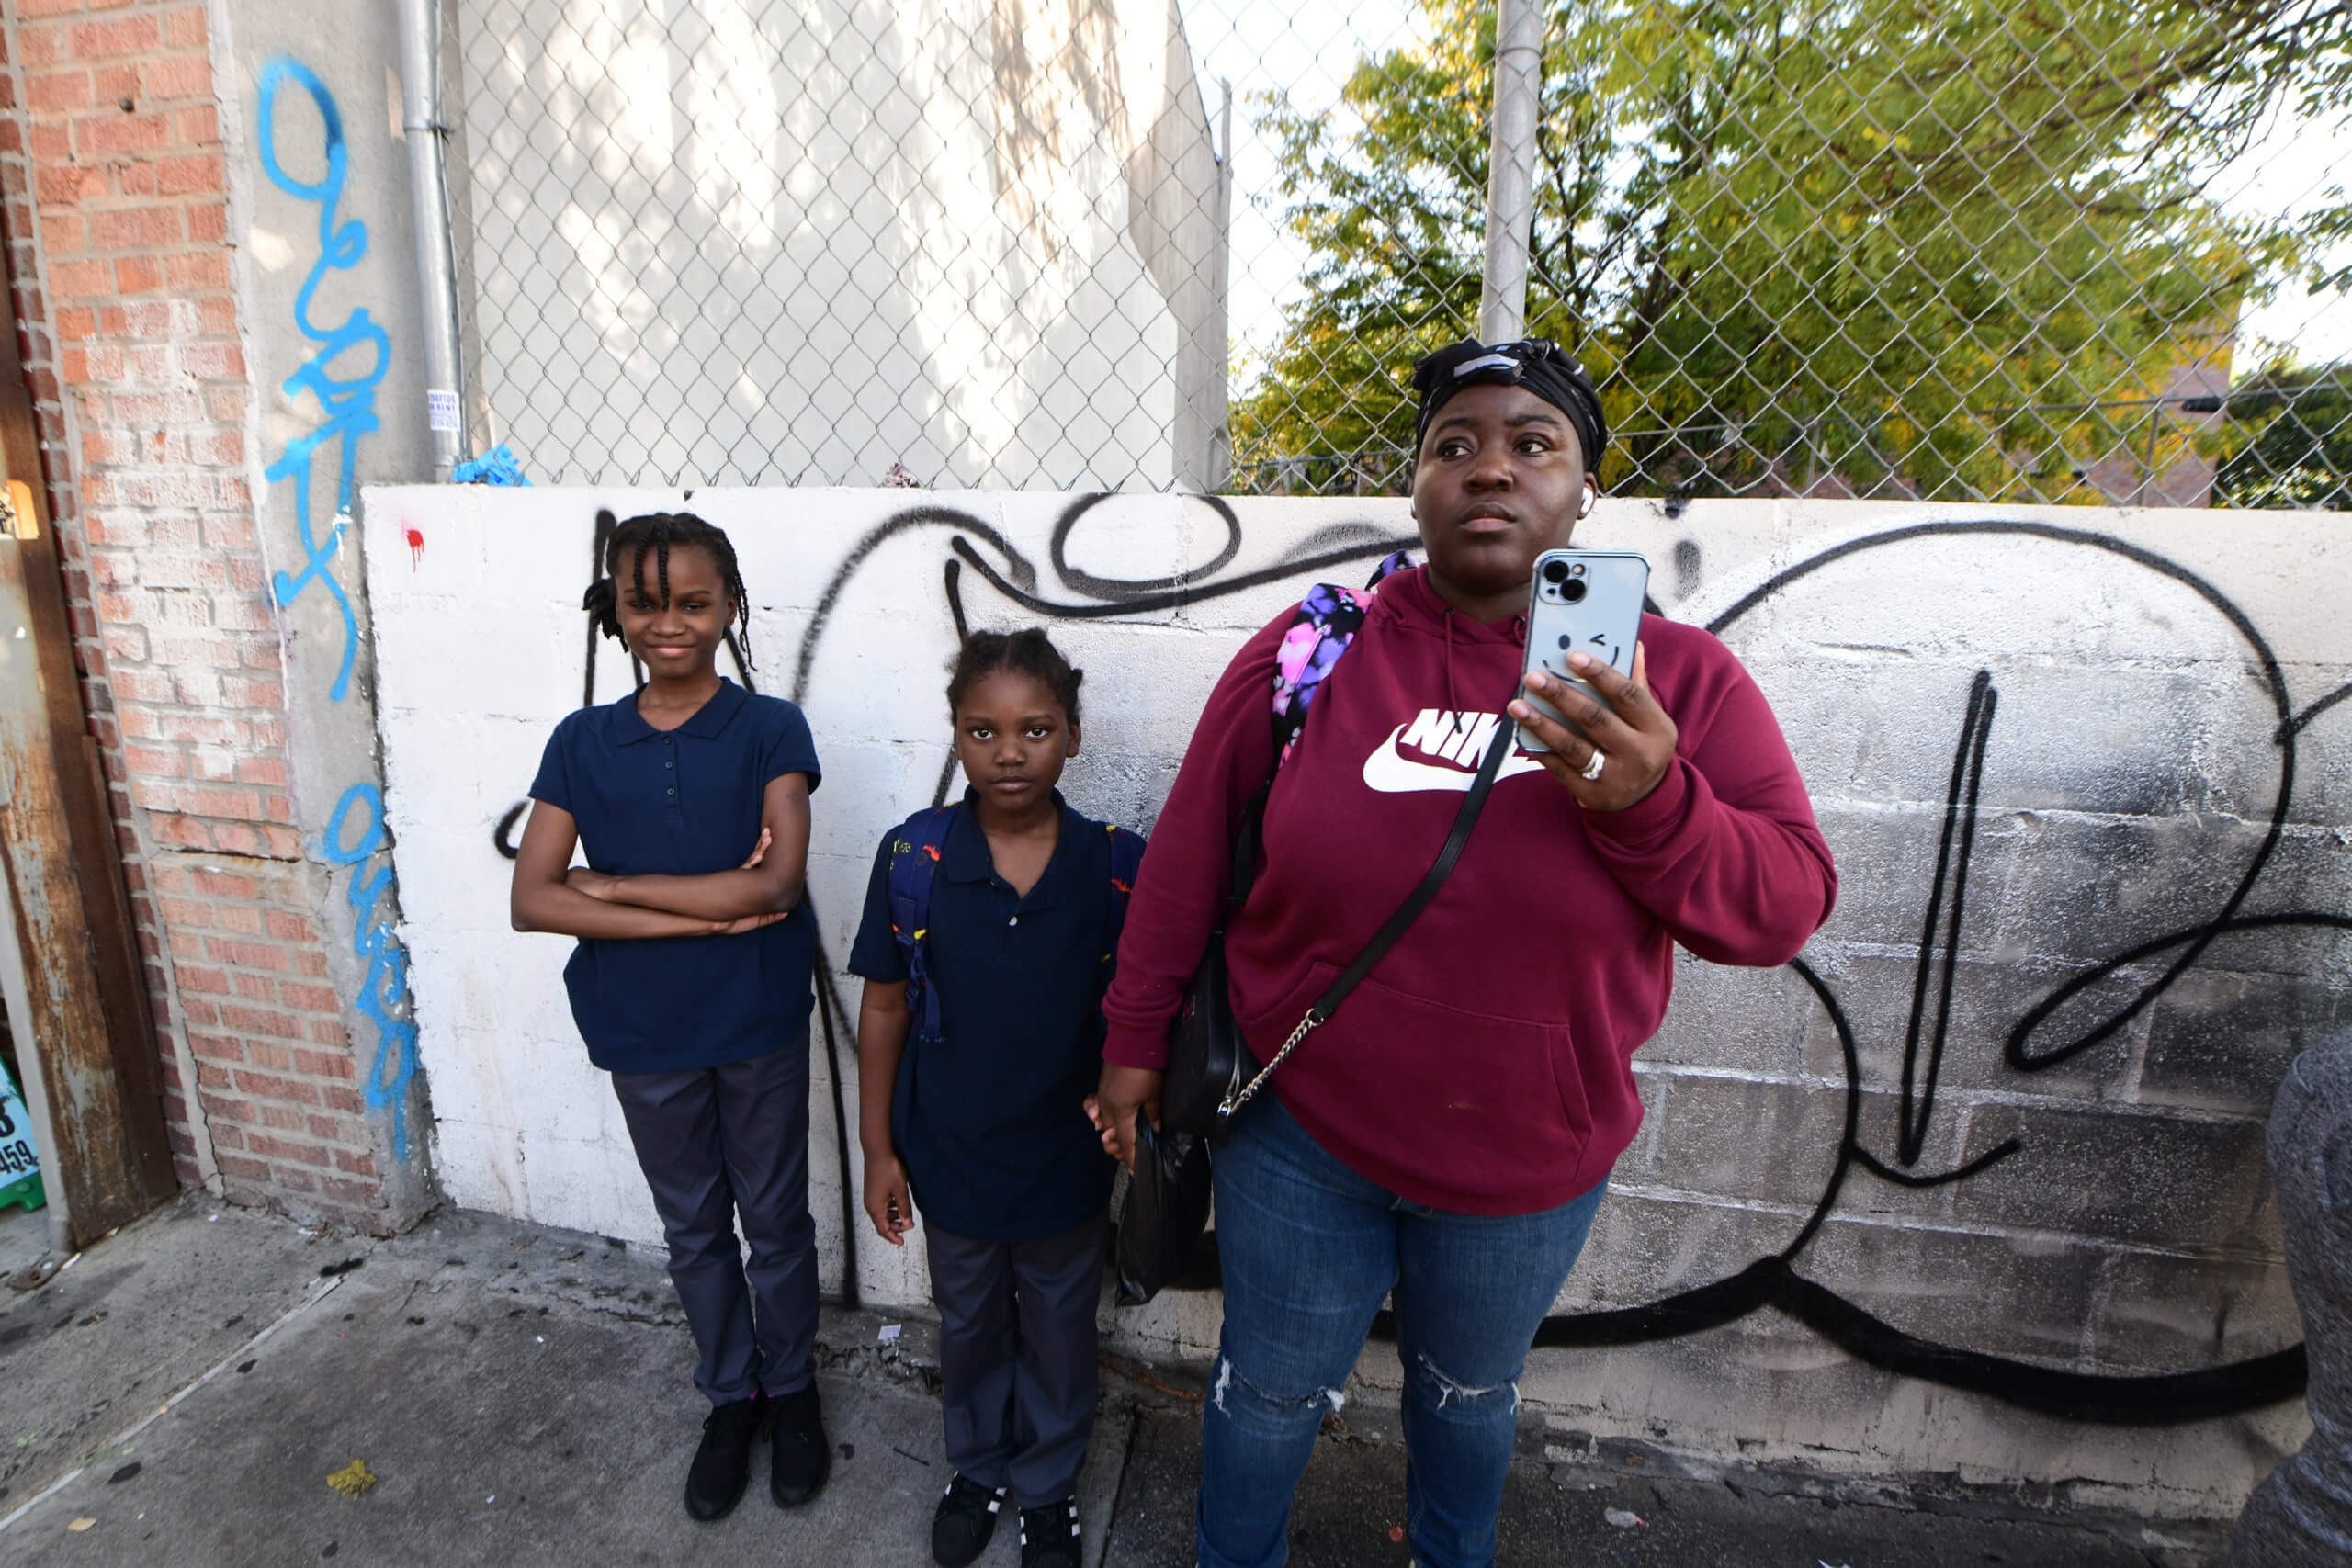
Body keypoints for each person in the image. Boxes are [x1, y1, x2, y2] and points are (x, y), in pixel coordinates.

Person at [1090, 340, 1839, 1568]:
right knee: (1268, 1390)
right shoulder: (1313, 652)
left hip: (1527, 1165)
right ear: (1420, 484)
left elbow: (1784, 905)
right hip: (1301, 1137)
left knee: (1466, 1395)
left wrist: (1653, 799)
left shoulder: (1676, 683)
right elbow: (1186, 858)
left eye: (1532, 443)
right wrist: (1132, 1043)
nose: (1491, 468)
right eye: (1456, 445)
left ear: (1584, 490)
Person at [509, 512, 831, 1524]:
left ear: (730, 604)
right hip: (642, 1031)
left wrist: (611, 888)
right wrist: (702, 910)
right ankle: (731, 1395)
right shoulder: (581, 742)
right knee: (692, 1226)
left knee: (773, 1220)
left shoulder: (771, 729)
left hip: (756, 1017)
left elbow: (774, 886)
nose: (669, 623)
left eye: (693, 602)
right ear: (615, 610)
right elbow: (533, 900)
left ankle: (792, 1387)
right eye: (644, 603)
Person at [848, 629, 1144, 1568]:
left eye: (1034, 729)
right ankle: (977, 1467)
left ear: (1073, 734)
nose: (1008, 752)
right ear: (955, 734)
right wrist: (879, 1149)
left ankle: (1047, 1487)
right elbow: (884, 1006)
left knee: (1059, 1328)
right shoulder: (916, 858)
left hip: (1066, 1162)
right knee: (970, 1322)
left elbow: (1148, 1014)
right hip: (951, 1157)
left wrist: (1134, 1107)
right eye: (983, 731)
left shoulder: (1114, 867)